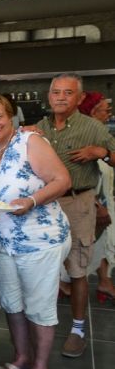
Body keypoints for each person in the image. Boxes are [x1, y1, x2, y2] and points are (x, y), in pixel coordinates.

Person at [0, 95, 71, 369]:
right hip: (5, 241)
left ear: (11, 116)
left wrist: (31, 201)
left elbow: (62, 180)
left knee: (39, 308)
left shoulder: (30, 140)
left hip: (39, 240)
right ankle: (22, 357)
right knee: (12, 303)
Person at [36, 73, 115, 358]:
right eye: (55, 92)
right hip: (45, 205)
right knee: (44, 267)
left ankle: (78, 329)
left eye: (67, 93)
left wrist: (101, 152)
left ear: (80, 98)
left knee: (77, 269)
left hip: (79, 203)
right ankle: (41, 324)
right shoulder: (40, 128)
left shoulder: (92, 127)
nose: (59, 97)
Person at [77, 91, 115, 302]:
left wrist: (105, 154)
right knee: (90, 244)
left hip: (105, 200)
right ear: (91, 111)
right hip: (91, 203)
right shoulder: (83, 138)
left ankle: (104, 281)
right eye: (104, 109)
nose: (109, 113)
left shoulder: (101, 136)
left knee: (103, 242)